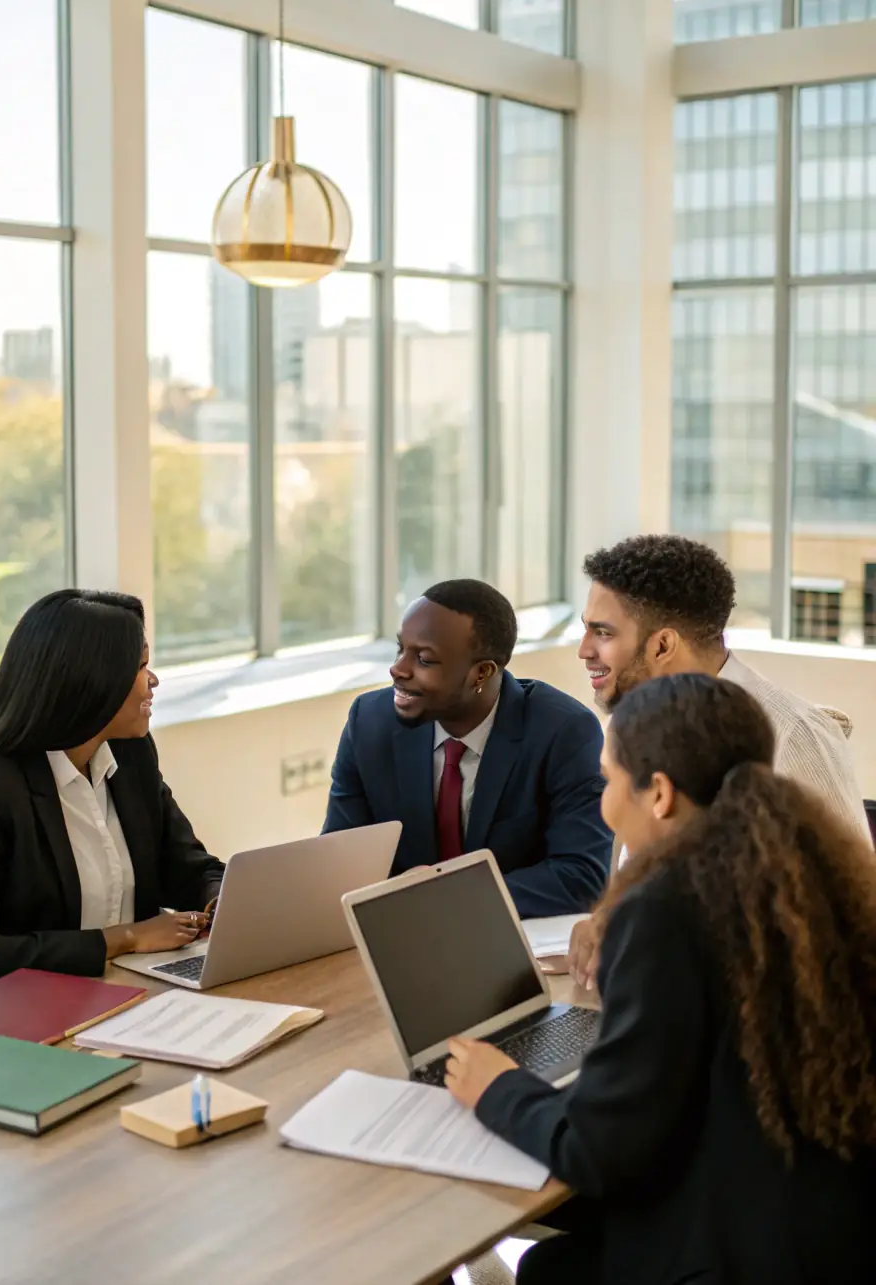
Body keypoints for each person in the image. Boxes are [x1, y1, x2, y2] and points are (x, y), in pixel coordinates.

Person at [445, 674, 876, 1285]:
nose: (603, 799)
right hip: (829, 1223)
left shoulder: (664, 911)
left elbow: (600, 1152)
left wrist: (499, 1088)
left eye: (609, 777)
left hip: (742, 1253)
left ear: (660, 794)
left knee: (550, 1268)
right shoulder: (811, 879)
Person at [570, 533, 872, 987]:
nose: (583, 650)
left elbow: (852, 920)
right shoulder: (633, 726)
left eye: (603, 632)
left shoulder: (794, 735)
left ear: (662, 645)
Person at [0, 590, 226, 997]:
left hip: (126, 994)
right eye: (141, 666)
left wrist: (221, 899)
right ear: (92, 682)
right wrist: (125, 938)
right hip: (24, 1016)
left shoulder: (130, 755)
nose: (153, 680)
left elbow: (187, 866)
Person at [322, 579, 612, 918]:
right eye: (401, 650)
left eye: (424, 660)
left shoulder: (563, 731)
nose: (398, 669)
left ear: (481, 673)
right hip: (399, 934)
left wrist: (443, 894)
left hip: (508, 942)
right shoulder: (369, 722)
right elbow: (339, 868)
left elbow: (580, 877)